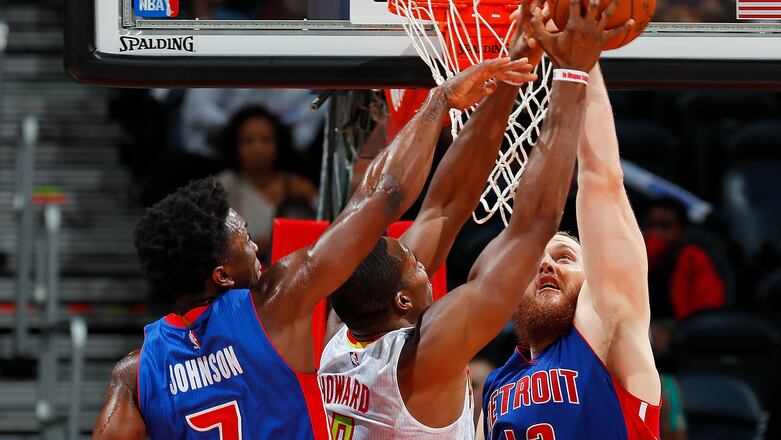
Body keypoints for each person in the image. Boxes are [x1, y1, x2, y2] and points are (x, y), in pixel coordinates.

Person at [90, 58, 533, 440]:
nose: (255, 246)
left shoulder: (136, 372)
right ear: (222, 275)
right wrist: (437, 104)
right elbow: (382, 195)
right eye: (244, 239)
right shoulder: (273, 304)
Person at [318, 1, 627, 437]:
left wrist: (510, 76)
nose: (420, 257)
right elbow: (534, 224)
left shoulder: (341, 337)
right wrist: (572, 73)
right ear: (402, 301)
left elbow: (444, 208)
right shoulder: (425, 361)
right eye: (413, 264)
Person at [479, 1, 662, 438]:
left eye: (565, 256)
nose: (546, 264)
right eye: (538, 259)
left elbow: (602, 181)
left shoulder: (607, 333)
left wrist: (580, 63)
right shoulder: (494, 385)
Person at [216, 106, 318, 257]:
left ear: (279, 144)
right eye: (248, 141)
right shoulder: (224, 186)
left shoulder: (298, 187)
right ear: (235, 146)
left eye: (266, 140)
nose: (258, 148)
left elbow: (325, 229)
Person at [642, 197, 726, 321]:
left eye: (665, 227)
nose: (656, 233)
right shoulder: (632, 259)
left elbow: (706, 313)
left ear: (683, 232)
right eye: (650, 226)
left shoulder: (694, 260)